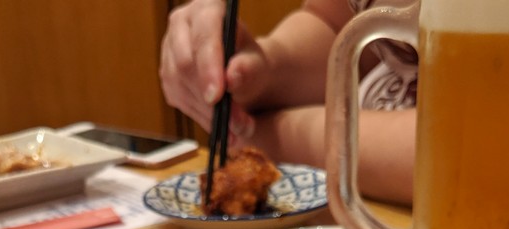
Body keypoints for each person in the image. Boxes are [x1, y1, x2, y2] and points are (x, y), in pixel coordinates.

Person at [159, 0, 417, 205]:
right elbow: (337, 23)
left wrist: (265, 137)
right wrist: (265, 70)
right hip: (358, 209)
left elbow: (453, 146)